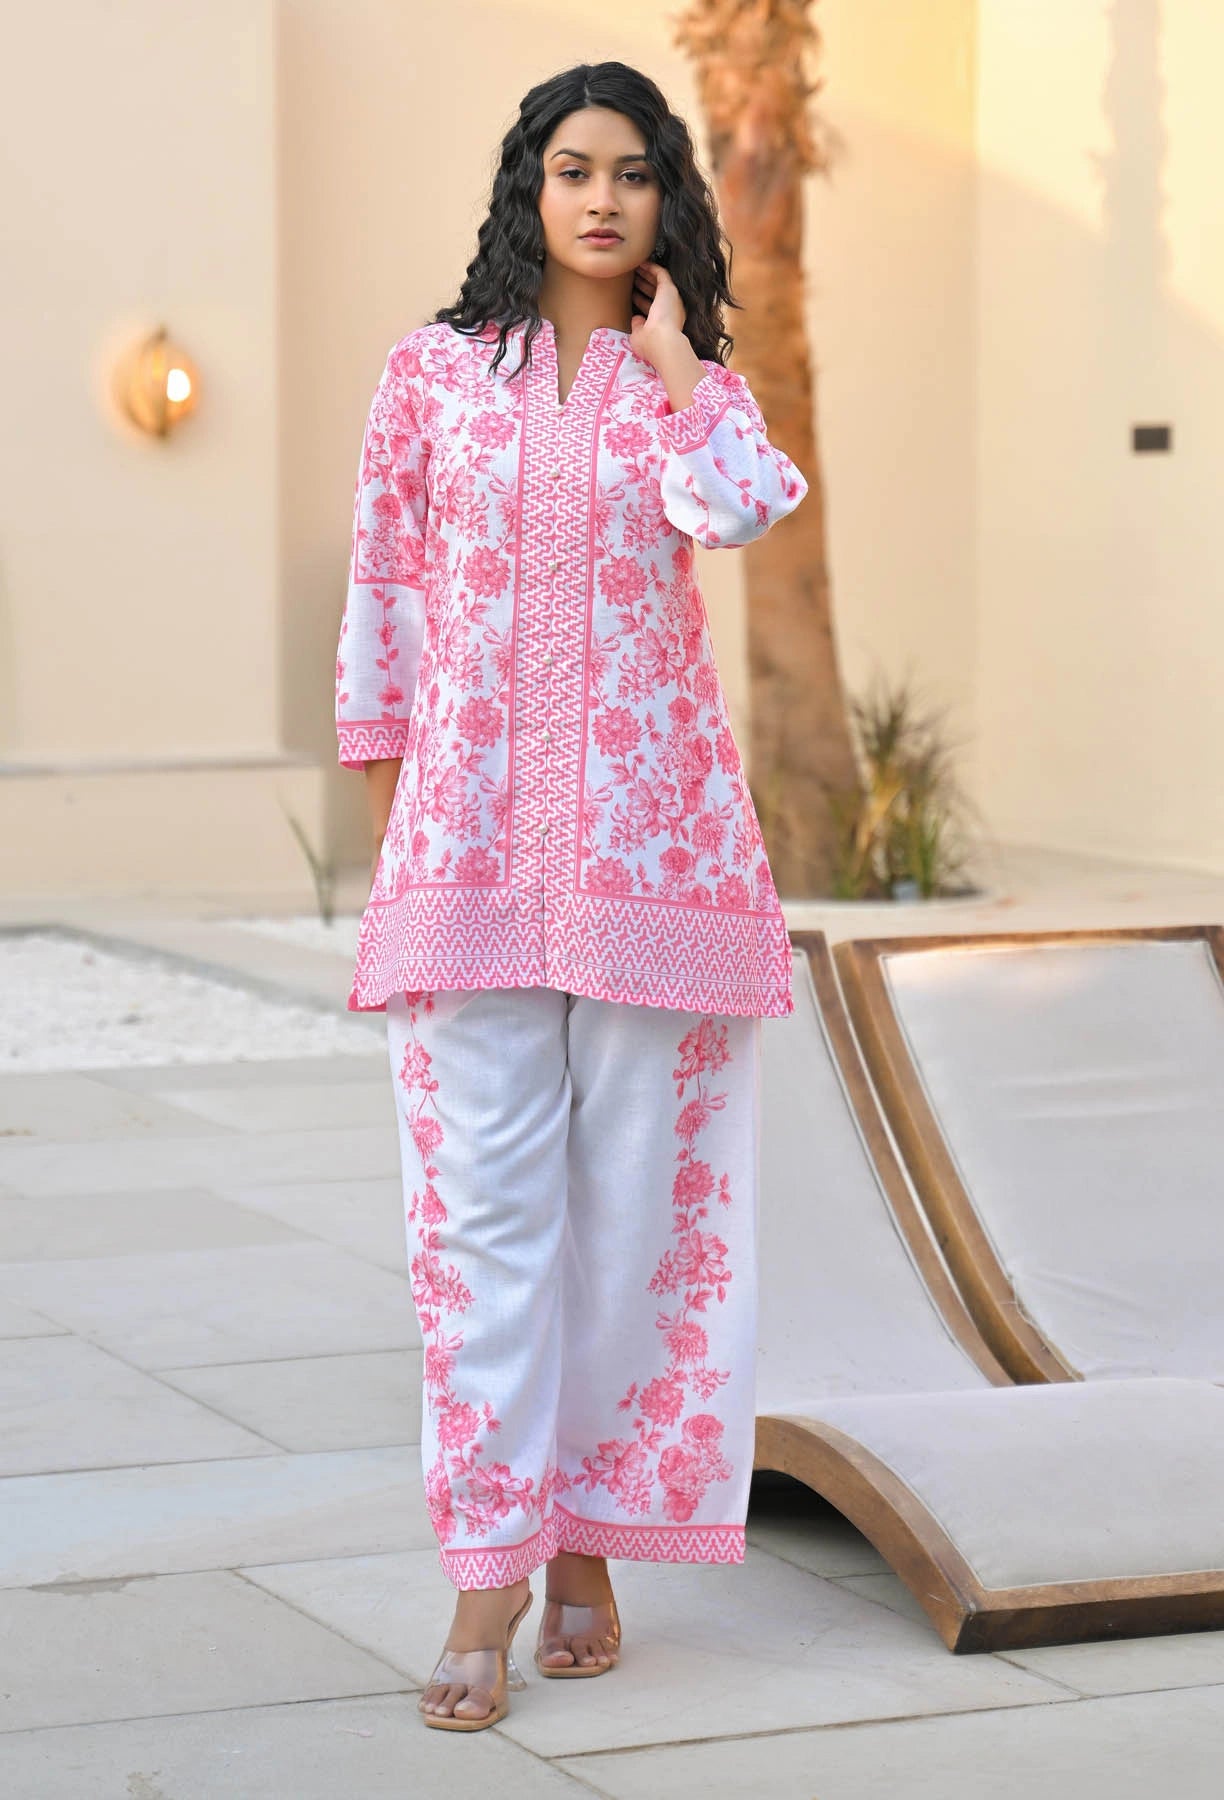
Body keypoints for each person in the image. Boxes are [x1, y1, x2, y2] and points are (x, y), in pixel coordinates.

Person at [334, 59, 808, 1733]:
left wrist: (680, 368)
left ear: (663, 202)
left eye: (629, 173)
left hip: (656, 865)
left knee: (639, 1229)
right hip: (468, 859)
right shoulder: (434, 376)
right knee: (478, 1227)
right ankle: (488, 1567)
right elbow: (386, 579)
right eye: (568, 168)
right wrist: (394, 803)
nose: (598, 197)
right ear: (527, 188)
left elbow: (738, 512)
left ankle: (594, 1542)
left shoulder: (698, 391)